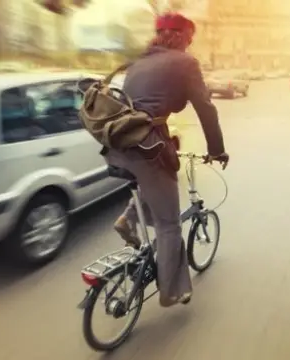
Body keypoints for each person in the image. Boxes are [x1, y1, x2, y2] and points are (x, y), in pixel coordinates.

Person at [103, 12, 229, 308]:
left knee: (154, 184)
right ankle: (170, 291)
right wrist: (217, 149)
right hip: (148, 147)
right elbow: (206, 109)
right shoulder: (185, 63)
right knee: (169, 223)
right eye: (189, 37)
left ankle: (129, 218)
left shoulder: (139, 61)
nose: (190, 43)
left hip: (119, 146)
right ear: (180, 36)